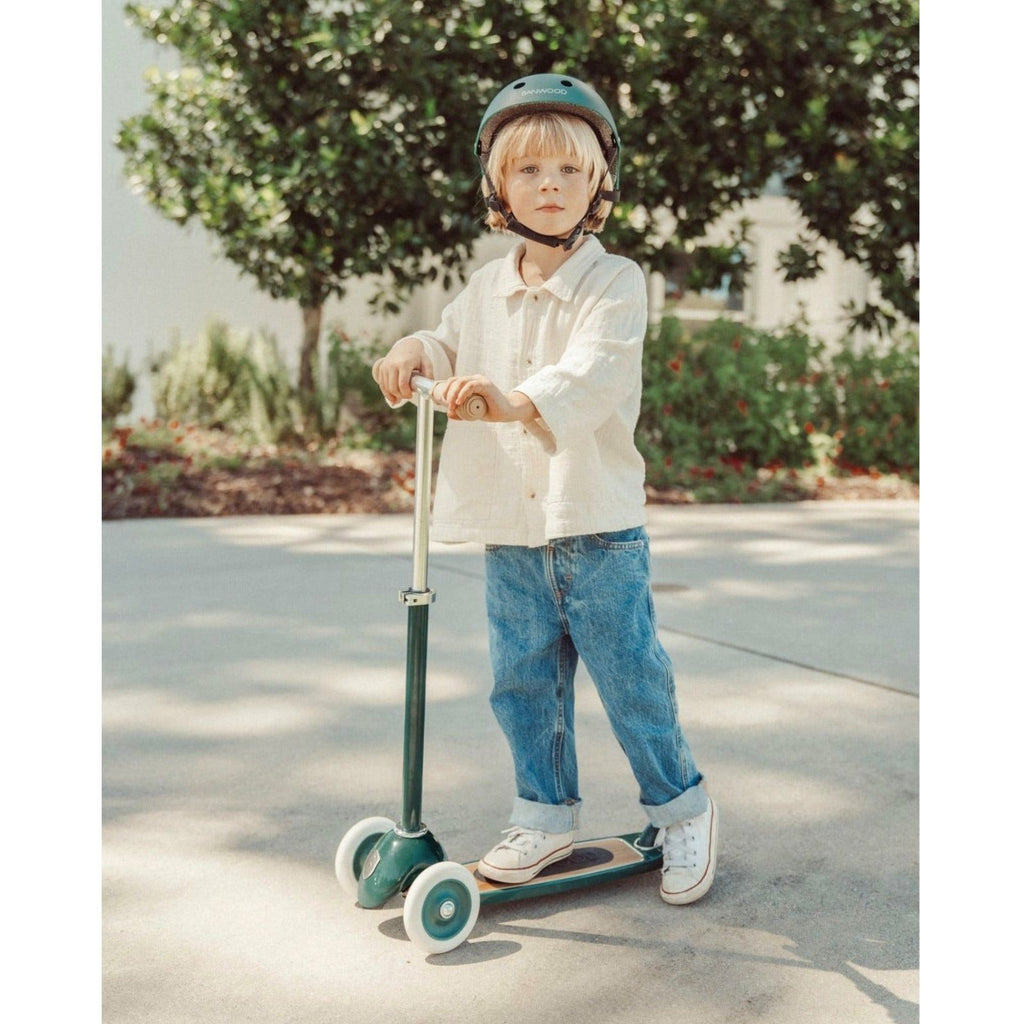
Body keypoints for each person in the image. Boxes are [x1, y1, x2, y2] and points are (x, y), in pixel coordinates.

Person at [372, 73, 718, 905]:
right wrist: (418, 352)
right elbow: (451, 343)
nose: (550, 187)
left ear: (601, 182)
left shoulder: (616, 282)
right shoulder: (484, 287)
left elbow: (591, 373)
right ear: (497, 186)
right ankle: (544, 813)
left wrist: (516, 402)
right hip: (512, 529)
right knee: (522, 682)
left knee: (631, 678)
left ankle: (683, 810)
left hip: (594, 525)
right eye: (528, 172)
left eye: (569, 170)